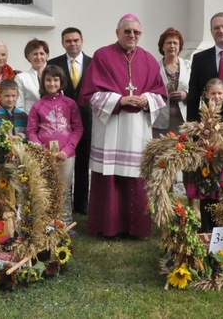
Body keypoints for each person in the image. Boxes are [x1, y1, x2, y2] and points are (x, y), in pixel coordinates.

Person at [79, 13, 167, 239]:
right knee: (109, 177)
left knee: (136, 175)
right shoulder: (102, 56)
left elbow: (160, 93)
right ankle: (108, 227)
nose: (132, 35)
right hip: (111, 127)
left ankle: (136, 228)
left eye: (136, 32)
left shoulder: (148, 59)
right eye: (127, 31)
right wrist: (119, 100)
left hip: (137, 128)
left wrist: (146, 99)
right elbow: (90, 93)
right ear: (117, 32)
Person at [26, 65, 83, 227]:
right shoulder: (37, 106)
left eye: (55, 79)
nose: (52, 83)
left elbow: (77, 129)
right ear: (43, 82)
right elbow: (31, 131)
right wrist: (40, 150)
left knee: (64, 188)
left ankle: (64, 222)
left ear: (61, 81)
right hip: (44, 155)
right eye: (48, 80)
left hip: (66, 155)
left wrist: (67, 150)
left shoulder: (70, 104)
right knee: (45, 187)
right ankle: (46, 222)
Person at [48, 28, 93, 215]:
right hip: (61, 126)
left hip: (87, 121)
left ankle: (81, 206)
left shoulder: (94, 63)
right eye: (68, 41)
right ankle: (60, 205)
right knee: (61, 166)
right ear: (62, 43)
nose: (72, 44)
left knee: (83, 165)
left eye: (76, 40)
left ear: (82, 41)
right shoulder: (54, 63)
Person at [186, 78, 223, 230]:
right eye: (213, 93)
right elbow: (194, 134)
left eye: (219, 93)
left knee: (222, 193)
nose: (216, 96)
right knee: (206, 193)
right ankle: (205, 227)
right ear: (206, 94)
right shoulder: (200, 114)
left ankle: (220, 226)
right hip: (206, 161)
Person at [152, 27, 190, 137]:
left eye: (175, 43)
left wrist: (186, 94)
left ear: (179, 46)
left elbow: (197, 89)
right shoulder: (154, 68)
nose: (172, 46)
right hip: (161, 121)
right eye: (168, 43)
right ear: (162, 46)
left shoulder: (189, 66)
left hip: (184, 120)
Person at [15, 38, 49, 114]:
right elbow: (19, 106)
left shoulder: (55, 76)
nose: (39, 57)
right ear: (28, 56)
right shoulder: (21, 78)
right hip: (30, 121)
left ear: (47, 55)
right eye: (35, 54)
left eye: (42, 53)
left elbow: (60, 101)